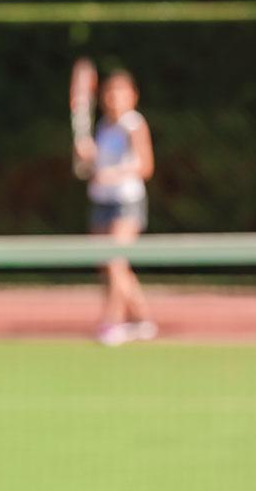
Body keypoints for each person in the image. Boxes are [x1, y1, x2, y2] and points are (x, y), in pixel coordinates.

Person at [73, 69, 156, 346]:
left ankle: (113, 322)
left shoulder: (134, 124)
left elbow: (145, 166)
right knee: (107, 265)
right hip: (101, 201)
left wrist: (114, 173)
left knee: (115, 261)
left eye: (121, 93)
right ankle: (143, 319)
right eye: (109, 93)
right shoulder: (102, 127)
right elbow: (90, 168)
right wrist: (87, 156)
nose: (114, 99)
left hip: (127, 202)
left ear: (133, 96)